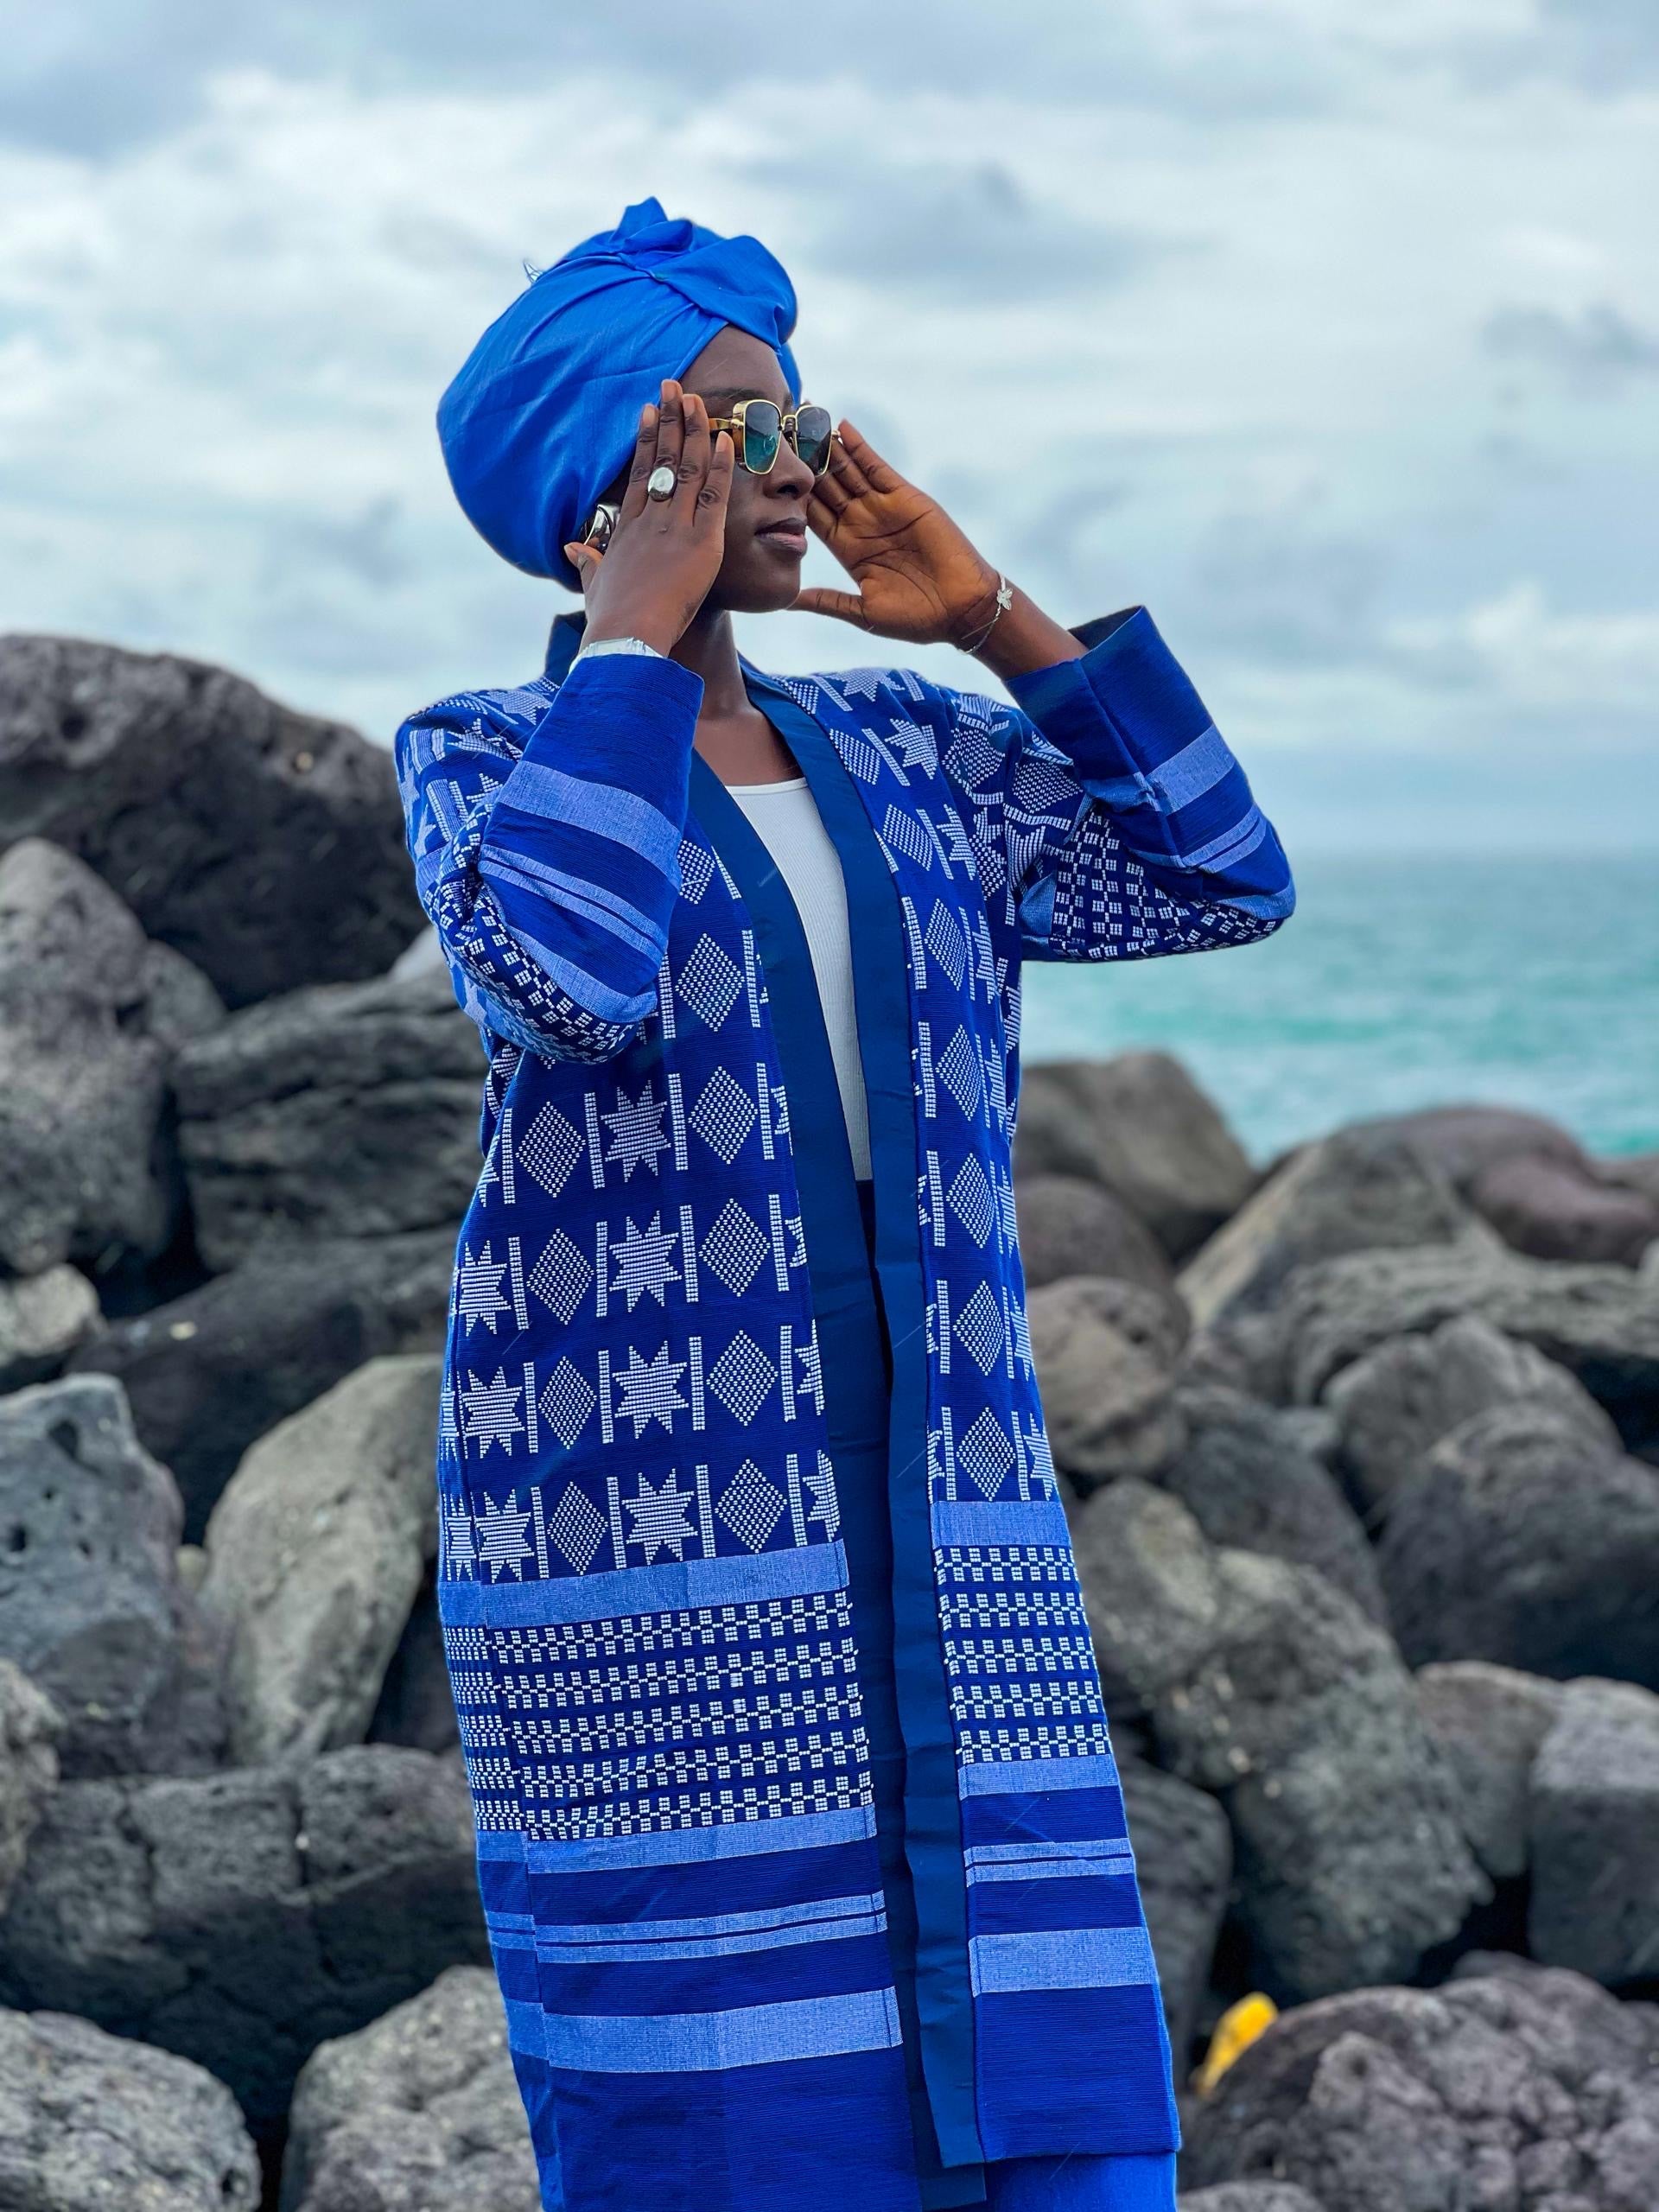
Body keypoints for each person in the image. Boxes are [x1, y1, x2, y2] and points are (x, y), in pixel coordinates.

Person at [395, 198, 1294, 2212]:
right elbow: (560, 971)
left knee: (1048, 2119)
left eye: (795, 416)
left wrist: (994, 622)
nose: (795, 465)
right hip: (670, 1576)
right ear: (598, 484)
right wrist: (630, 644)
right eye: (731, 428)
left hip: (955, 1545)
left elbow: (1221, 870)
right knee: (733, 2141)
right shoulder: (487, 757)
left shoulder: (911, 755)